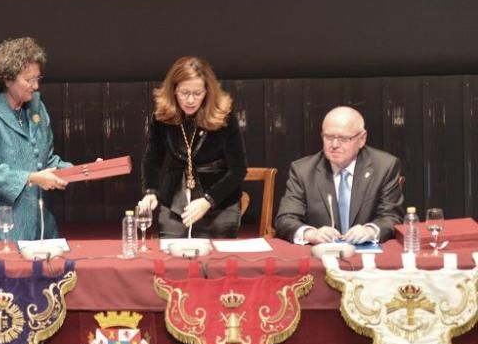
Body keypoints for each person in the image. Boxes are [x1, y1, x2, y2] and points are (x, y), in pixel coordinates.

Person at [0, 37, 71, 241]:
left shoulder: (38, 110)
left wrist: (84, 171)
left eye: (38, 78)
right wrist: (33, 178)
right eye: (28, 80)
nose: (36, 86)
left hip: (38, 223)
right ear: (8, 78)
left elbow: (46, 162)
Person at [138, 56, 247, 238]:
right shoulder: (162, 116)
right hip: (174, 200)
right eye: (184, 93)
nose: (190, 100)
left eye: (197, 93)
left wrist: (207, 201)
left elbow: (238, 169)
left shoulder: (224, 116)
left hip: (219, 204)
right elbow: (152, 159)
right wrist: (150, 192)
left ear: (208, 91)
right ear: (173, 90)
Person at [275, 106, 403, 244]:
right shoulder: (303, 171)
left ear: (362, 139)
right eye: (329, 137)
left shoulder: (384, 167)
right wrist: (310, 234)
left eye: (343, 138)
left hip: (366, 255)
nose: (334, 145)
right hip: (320, 254)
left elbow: (392, 217)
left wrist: (371, 231)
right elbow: (285, 219)